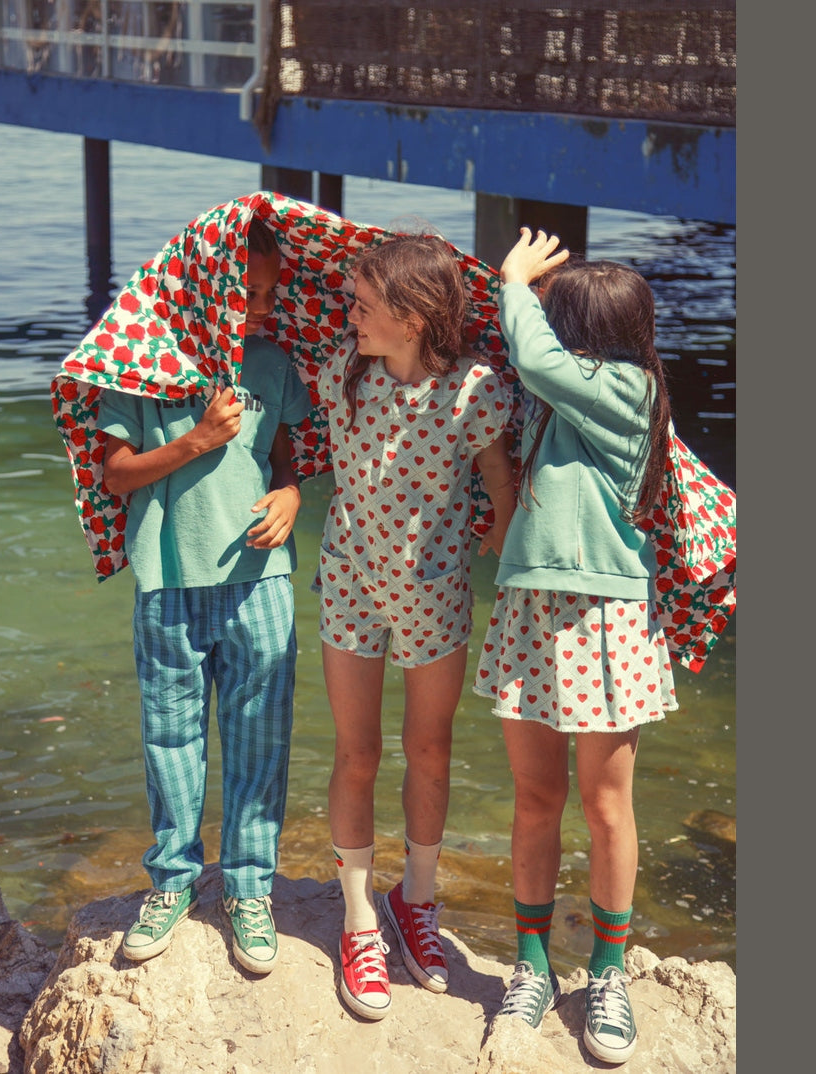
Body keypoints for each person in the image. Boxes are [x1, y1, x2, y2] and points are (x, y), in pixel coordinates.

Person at [473, 228, 677, 1064]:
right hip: (532, 603)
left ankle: (608, 973)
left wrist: (513, 279)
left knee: (605, 805)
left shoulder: (628, 387)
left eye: (558, 319)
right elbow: (520, 365)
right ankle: (531, 963)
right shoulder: (558, 396)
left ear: (587, 333)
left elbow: (533, 356)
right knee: (534, 798)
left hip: (606, 615)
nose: (545, 329)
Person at [97, 217, 312, 974]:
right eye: (251, 294)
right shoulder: (140, 365)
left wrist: (291, 496)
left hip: (261, 578)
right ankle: (173, 881)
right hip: (168, 580)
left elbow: (285, 460)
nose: (265, 307)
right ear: (206, 288)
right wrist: (195, 440)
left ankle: (249, 889)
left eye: (271, 294)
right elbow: (115, 474)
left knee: (261, 737)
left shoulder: (272, 363)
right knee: (170, 737)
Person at [316, 233, 518, 1019]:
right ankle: (359, 919)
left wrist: (508, 552)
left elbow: (499, 483)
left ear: (414, 316)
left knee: (429, 749)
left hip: (434, 588)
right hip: (350, 579)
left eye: (365, 304)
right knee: (356, 751)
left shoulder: (475, 390)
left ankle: (417, 900)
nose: (352, 314)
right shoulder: (342, 372)